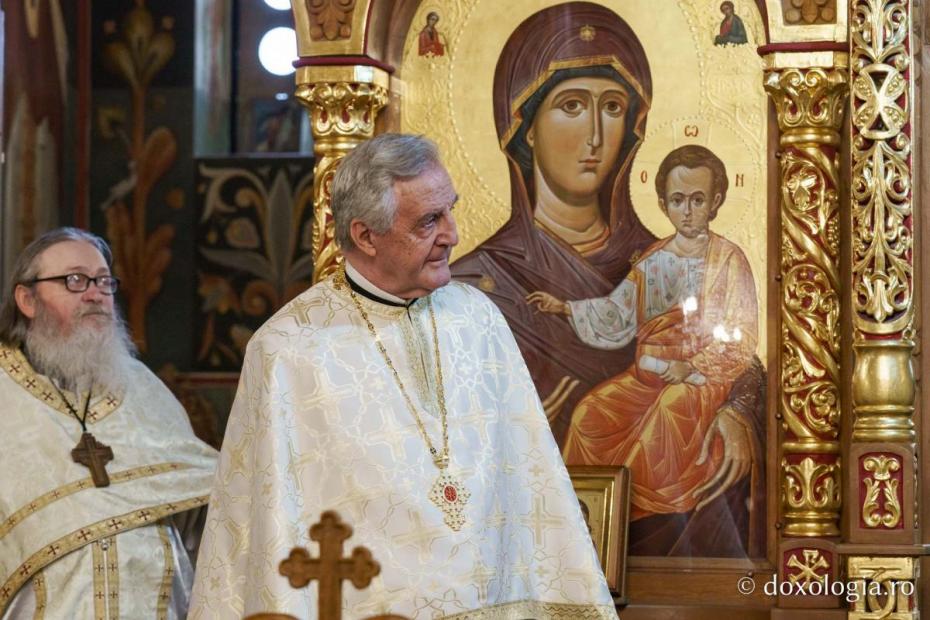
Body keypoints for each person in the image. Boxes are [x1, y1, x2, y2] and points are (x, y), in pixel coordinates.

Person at [189, 134, 616, 619]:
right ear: (366, 236)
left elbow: (534, 479)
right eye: (429, 221)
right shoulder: (288, 351)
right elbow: (262, 528)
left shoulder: (479, 320)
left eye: (451, 210)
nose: (453, 234)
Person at [527, 145, 762, 556]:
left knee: (667, 416)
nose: (687, 211)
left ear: (716, 202)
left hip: (700, 381)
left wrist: (690, 366)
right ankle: (577, 536)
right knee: (589, 414)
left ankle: (641, 540)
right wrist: (565, 308)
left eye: (697, 200)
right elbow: (619, 312)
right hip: (644, 378)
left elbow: (740, 335)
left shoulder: (728, 260)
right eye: (677, 200)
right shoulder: (654, 259)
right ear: (663, 204)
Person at [0, 227, 218, 618]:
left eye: (103, 281)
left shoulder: (146, 391)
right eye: (74, 280)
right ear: (27, 300)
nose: (95, 294)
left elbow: (200, 518)